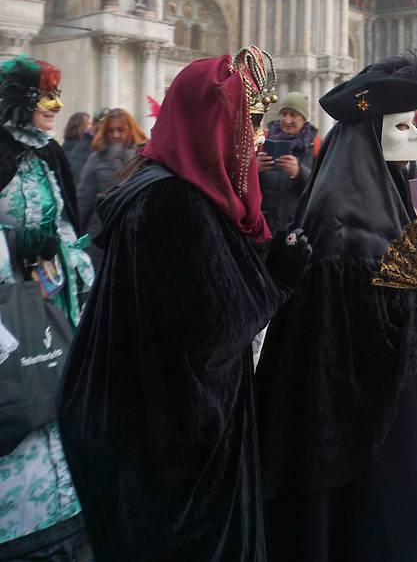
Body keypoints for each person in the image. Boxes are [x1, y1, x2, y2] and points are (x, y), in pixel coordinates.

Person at [58, 47, 312, 562]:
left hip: (148, 421)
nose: (258, 138)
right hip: (170, 445)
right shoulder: (175, 204)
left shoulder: (166, 184)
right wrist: (279, 278)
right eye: (250, 122)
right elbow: (212, 329)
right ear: (215, 124)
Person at [256, 53, 417, 562]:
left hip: (365, 411)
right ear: (374, 131)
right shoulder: (350, 212)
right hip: (361, 423)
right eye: (403, 125)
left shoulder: (379, 190)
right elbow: (375, 338)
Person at [0, 56, 93, 561]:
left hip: (47, 308)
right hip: (4, 322)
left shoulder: (48, 154)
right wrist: (12, 250)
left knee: (51, 403)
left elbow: (61, 224)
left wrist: (68, 255)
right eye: (43, 99)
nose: (56, 108)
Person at [76, 108, 146, 269]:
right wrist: (77, 234)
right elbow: (84, 199)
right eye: (111, 131)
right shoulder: (96, 158)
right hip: (101, 235)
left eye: (120, 130)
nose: (115, 135)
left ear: (130, 130)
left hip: (135, 234)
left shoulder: (143, 157)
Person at [257, 92, 320, 237]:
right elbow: (240, 182)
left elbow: (322, 188)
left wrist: (299, 173)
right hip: (262, 226)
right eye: (283, 114)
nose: (287, 120)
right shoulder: (261, 140)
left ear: (304, 118)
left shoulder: (315, 145)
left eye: (293, 115)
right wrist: (254, 168)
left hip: (295, 229)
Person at [61, 111, 91, 183]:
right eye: (89, 124)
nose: (91, 127)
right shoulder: (82, 149)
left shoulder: (63, 147)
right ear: (80, 126)